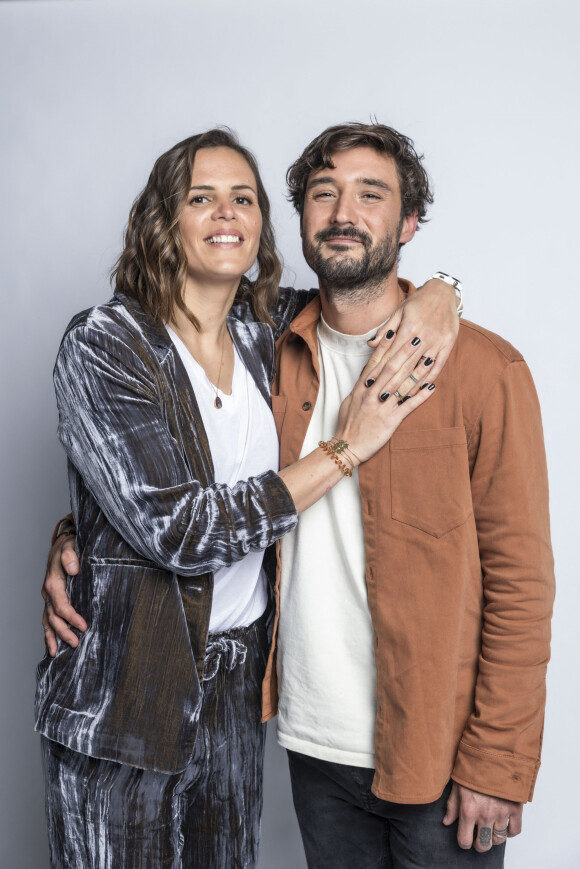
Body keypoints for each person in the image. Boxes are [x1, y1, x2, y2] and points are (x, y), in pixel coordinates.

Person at [36, 127, 459, 869]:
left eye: (243, 197)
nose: (224, 213)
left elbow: (364, 290)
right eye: (200, 197)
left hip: (235, 691)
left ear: (264, 222)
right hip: (125, 695)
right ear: (164, 220)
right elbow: (177, 528)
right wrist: (344, 448)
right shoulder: (106, 343)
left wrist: (441, 290)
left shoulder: (268, 332)